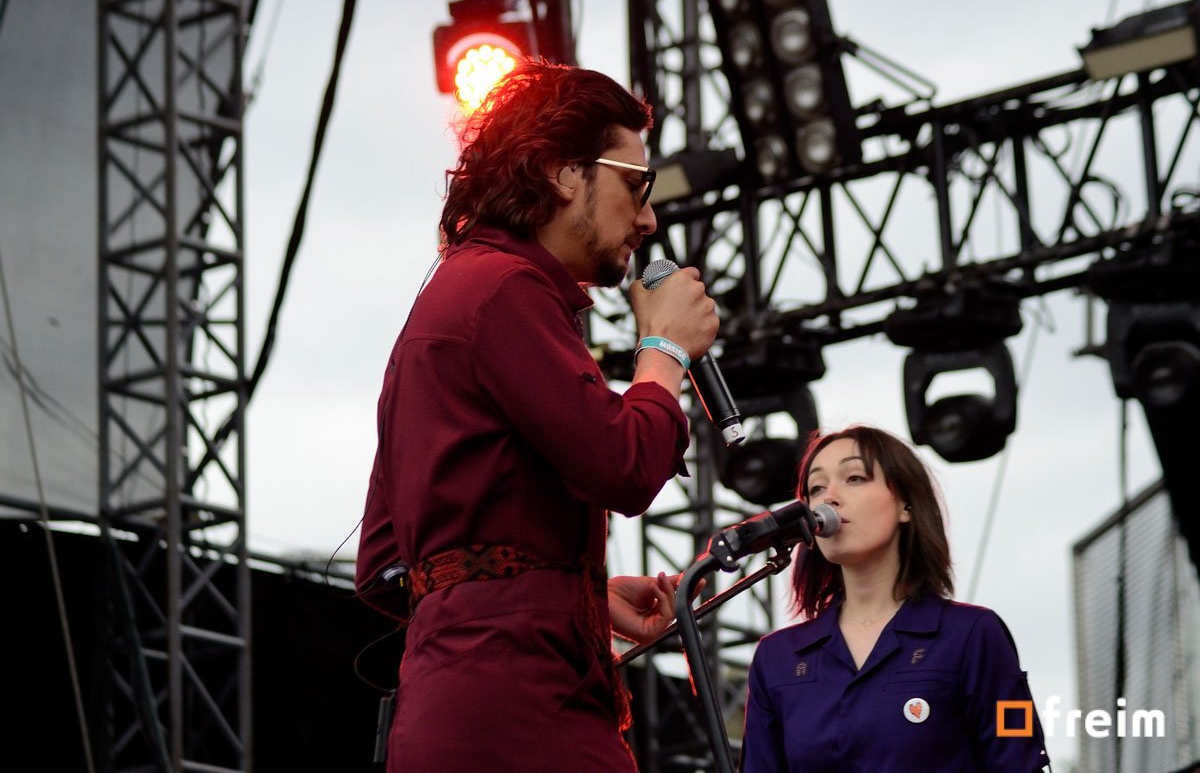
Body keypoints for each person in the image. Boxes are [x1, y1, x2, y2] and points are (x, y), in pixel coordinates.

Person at [354, 60, 719, 773]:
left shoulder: (460, 293)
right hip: (521, 711)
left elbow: (385, 563)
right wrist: (665, 349)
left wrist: (570, 594)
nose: (648, 218)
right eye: (636, 185)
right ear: (563, 172)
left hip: (449, 709)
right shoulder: (504, 292)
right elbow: (625, 464)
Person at [740, 426, 1050, 772]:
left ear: (906, 504)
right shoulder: (777, 657)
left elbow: (1019, 757)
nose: (830, 498)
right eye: (816, 488)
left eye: (854, 478)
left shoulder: (976, 634)